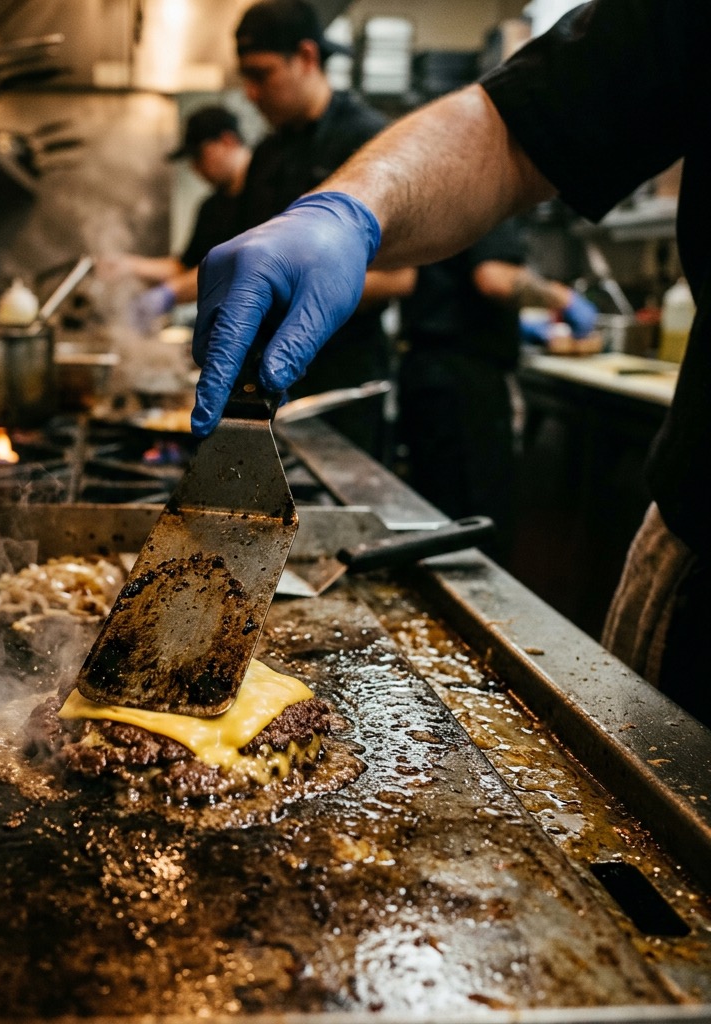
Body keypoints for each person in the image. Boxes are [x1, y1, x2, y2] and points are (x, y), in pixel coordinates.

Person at [190, 0, 710, 721]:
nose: (249, 92)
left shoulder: (350, 123)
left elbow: (490, 270)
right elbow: (515, 128)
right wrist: (348, 208)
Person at [228, 0, 413, 456]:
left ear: (307, 57)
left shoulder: (369, 142)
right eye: (245, 78)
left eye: (262, 74)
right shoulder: (268, 155)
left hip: (343, 382)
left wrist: (298, 286)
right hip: (267, 379)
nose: (251, 93)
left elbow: (399, 277)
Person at [396, 219, 598, 562]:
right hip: (464, 384)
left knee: (436, 519)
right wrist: (564, 298)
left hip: (429, 373)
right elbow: (496, 279)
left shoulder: (443, 198)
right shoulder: (487, 195)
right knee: (473, 530)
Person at [107, 105, 252, 330]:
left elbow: (243, 265)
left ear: (227, 141)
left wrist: (169, 294)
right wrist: (130, 266)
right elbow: (186, 266)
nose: (195, 168)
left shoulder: (268, 191)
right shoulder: (211, 207)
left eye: (198, 155)